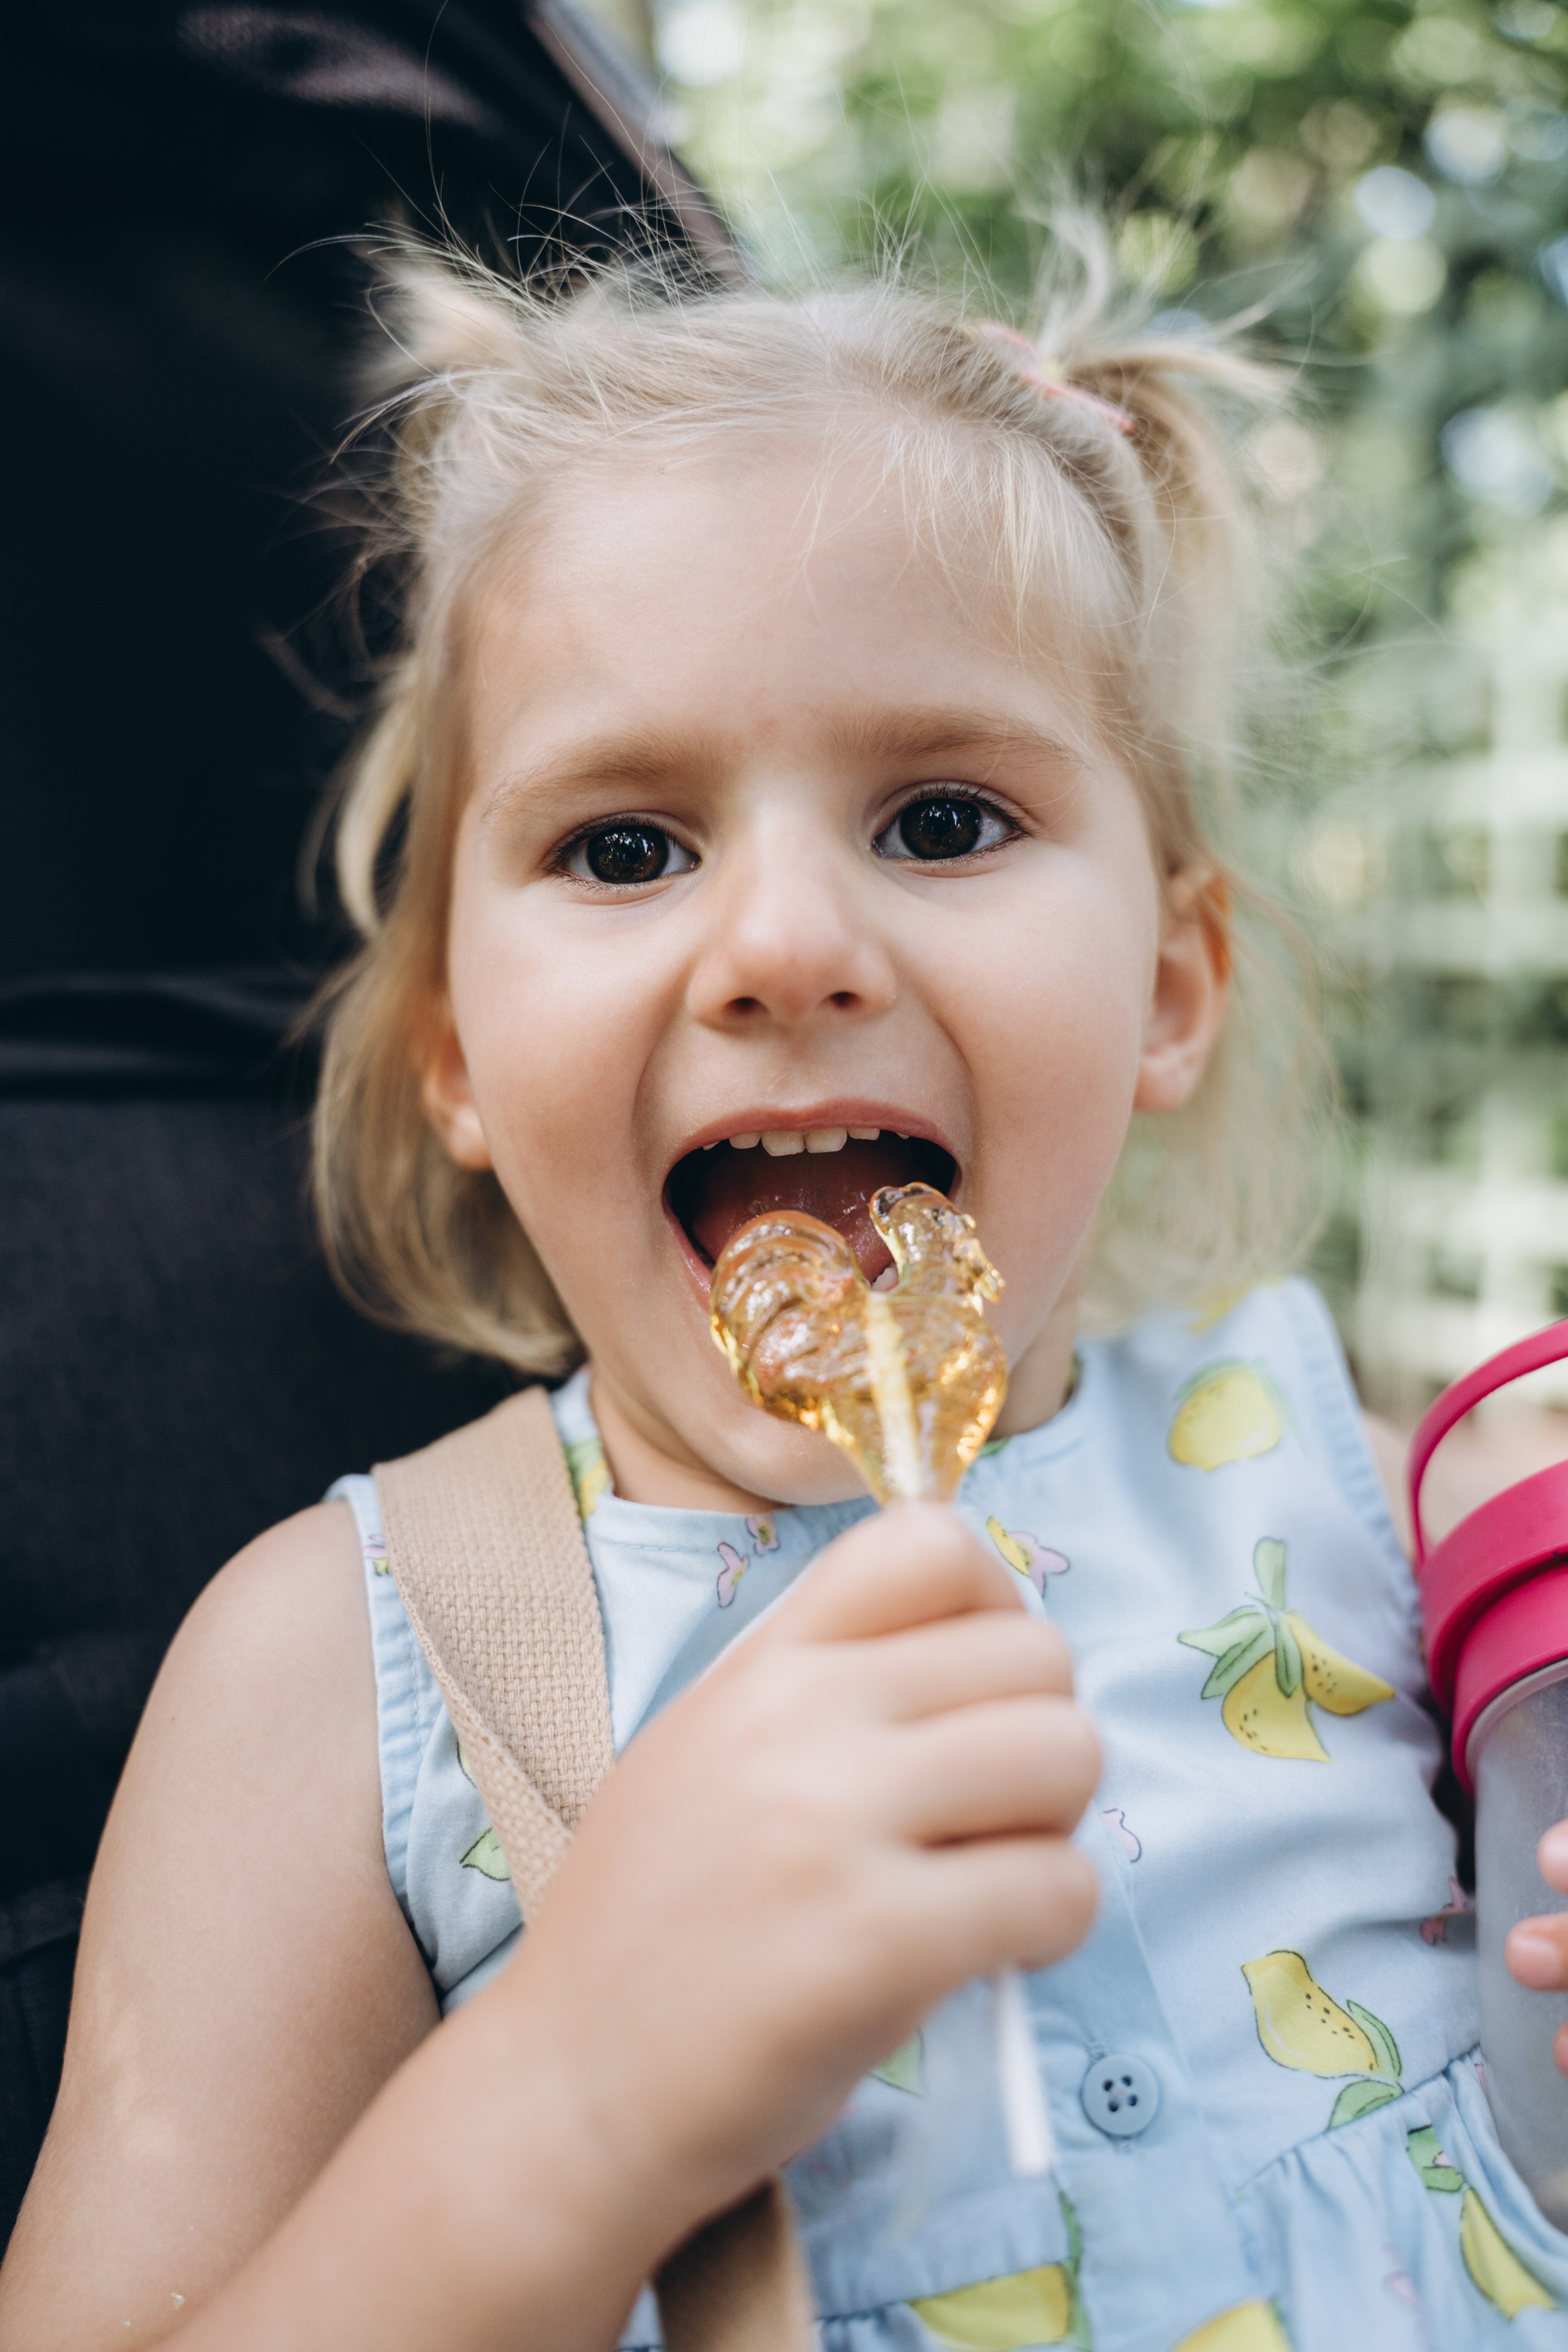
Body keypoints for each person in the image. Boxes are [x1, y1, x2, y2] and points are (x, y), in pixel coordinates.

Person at [5, 238, 1568, 2352]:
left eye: (942, 815)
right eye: (627, 848)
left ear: (1171, 992)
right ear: (459, 1048)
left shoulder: (1374, 1510)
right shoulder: (333, 1670)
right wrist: (578, 2094)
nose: (783, 944)